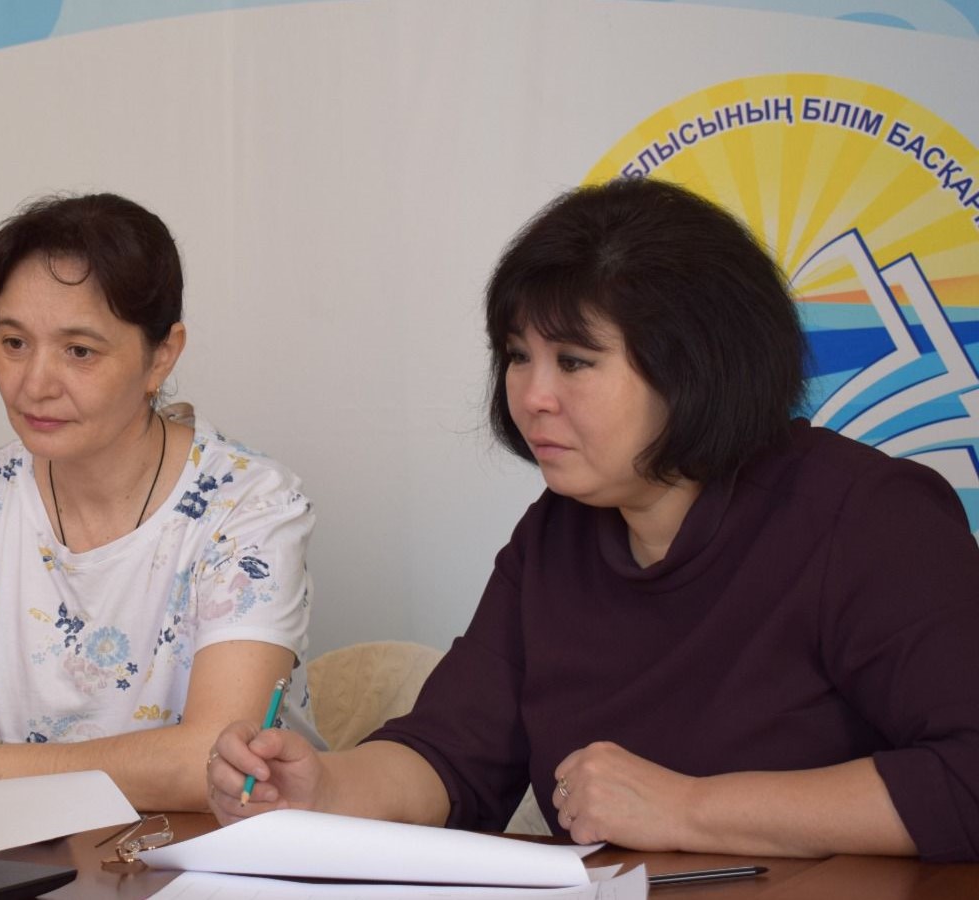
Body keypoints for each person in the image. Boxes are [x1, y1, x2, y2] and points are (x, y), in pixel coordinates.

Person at [205, 177, 979, 861]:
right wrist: (323, 789)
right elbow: (451, 754)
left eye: (574, 361)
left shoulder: (869, 517)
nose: (532, 396)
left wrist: (689, 808)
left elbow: (967, 773)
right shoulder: (558, 532)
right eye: (518, 356)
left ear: (693, 367)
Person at [0, 193, 315, 810]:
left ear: (162, 355)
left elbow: (216, 761)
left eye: (79, 351)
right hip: (37, 853)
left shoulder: (248, 506)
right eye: (14, 342)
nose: (35, 384)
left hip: (222, 853)